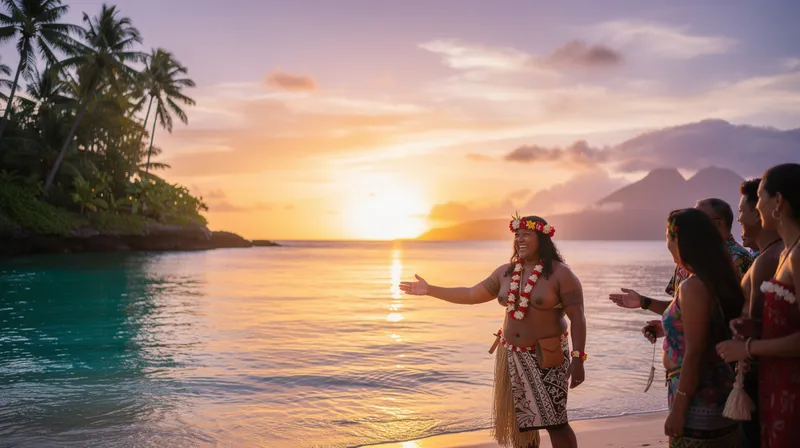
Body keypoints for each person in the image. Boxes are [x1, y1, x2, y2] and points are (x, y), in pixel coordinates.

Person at [400, 215, 586, 448]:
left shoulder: (561, 274)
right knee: (522, 424)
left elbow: (577, 317)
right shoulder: (505, 273)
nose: (519, 239)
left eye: (526, 234)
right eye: (516, 235)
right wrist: (430, 290)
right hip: (511, 355)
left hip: (547, 356)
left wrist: (578, 358)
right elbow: (470, 295)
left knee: (555, 422)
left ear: (542, 238)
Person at [641, 208, 744, 447]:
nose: (665, 242)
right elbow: (706, 331)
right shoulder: (712, 279)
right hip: (711, 389)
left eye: (667, 235)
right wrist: (668, 329)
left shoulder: (693, 286)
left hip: (699, 398)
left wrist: (679, 408)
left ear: (678, 239)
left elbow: (695, 352)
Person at [717, 163, 800, 448]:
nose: (756, 207)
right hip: (776, 382)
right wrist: (756, 325)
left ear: (778, 201)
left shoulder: (798, 255)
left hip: (792, 387)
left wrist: (748, 348)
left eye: (761, 196)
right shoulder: (785, 254)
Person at [610, 198, 753, 315]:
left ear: (719, 222)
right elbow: (679, 309)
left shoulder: (738, 259)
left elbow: (731, 315)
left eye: (699, 218)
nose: (693, 223)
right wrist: (644, 302)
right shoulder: (688, 258)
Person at [734, 178, 785, 448]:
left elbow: (757, 324)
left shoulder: (770, 258)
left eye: (742, 210)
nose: (739, 217)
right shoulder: (766, 256)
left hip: (761, 375)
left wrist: (742, 348)